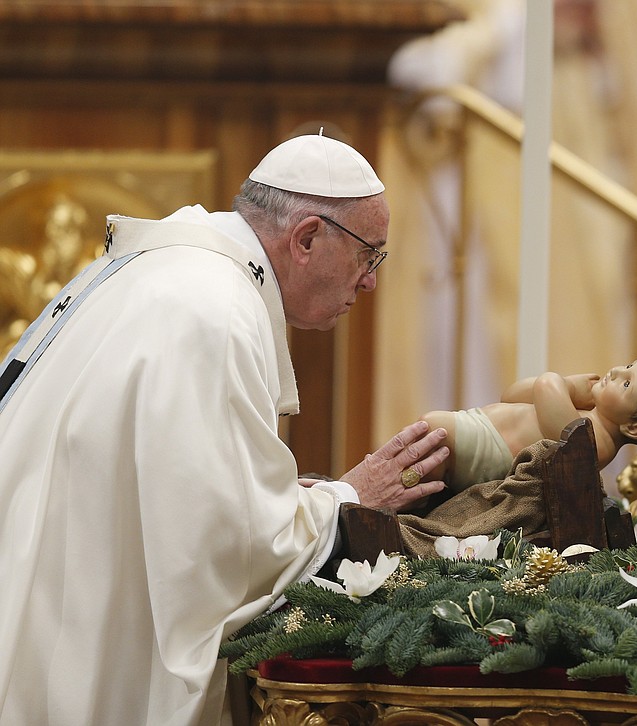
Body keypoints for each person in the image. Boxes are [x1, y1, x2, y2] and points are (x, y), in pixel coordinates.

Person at [0, 133, 451, 724]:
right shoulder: (213, 310)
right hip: (86, 634)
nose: (369, 282)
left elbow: (178, 493)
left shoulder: (175, 270)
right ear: (308, 237)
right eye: (370, 255)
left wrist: (292, 501)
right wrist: (349, 498)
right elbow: (220, 547)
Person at [420, 354, 637, 491]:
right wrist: (567, 387)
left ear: (633, 428)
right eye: (629, 366)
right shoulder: (581, 412)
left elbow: (545, 386)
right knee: (430, 432)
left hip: (487, 453)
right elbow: (511, 396)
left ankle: (415, 503)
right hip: (479, 428)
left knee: (433, 429)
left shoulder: (592, 441)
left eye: (627, 384)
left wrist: (563, 386)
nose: (617, 370)